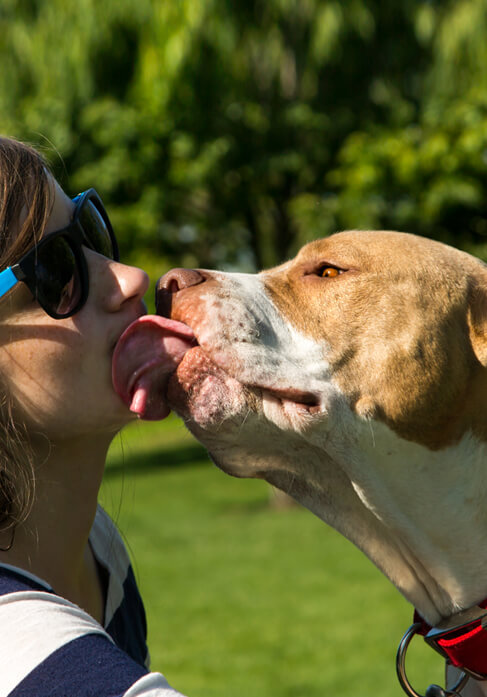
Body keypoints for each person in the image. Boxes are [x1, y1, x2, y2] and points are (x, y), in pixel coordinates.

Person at [0, 136, 187, 696]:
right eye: (57, 273)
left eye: (91, 232)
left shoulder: (97, 549)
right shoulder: (23, 654)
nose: (130, 277)